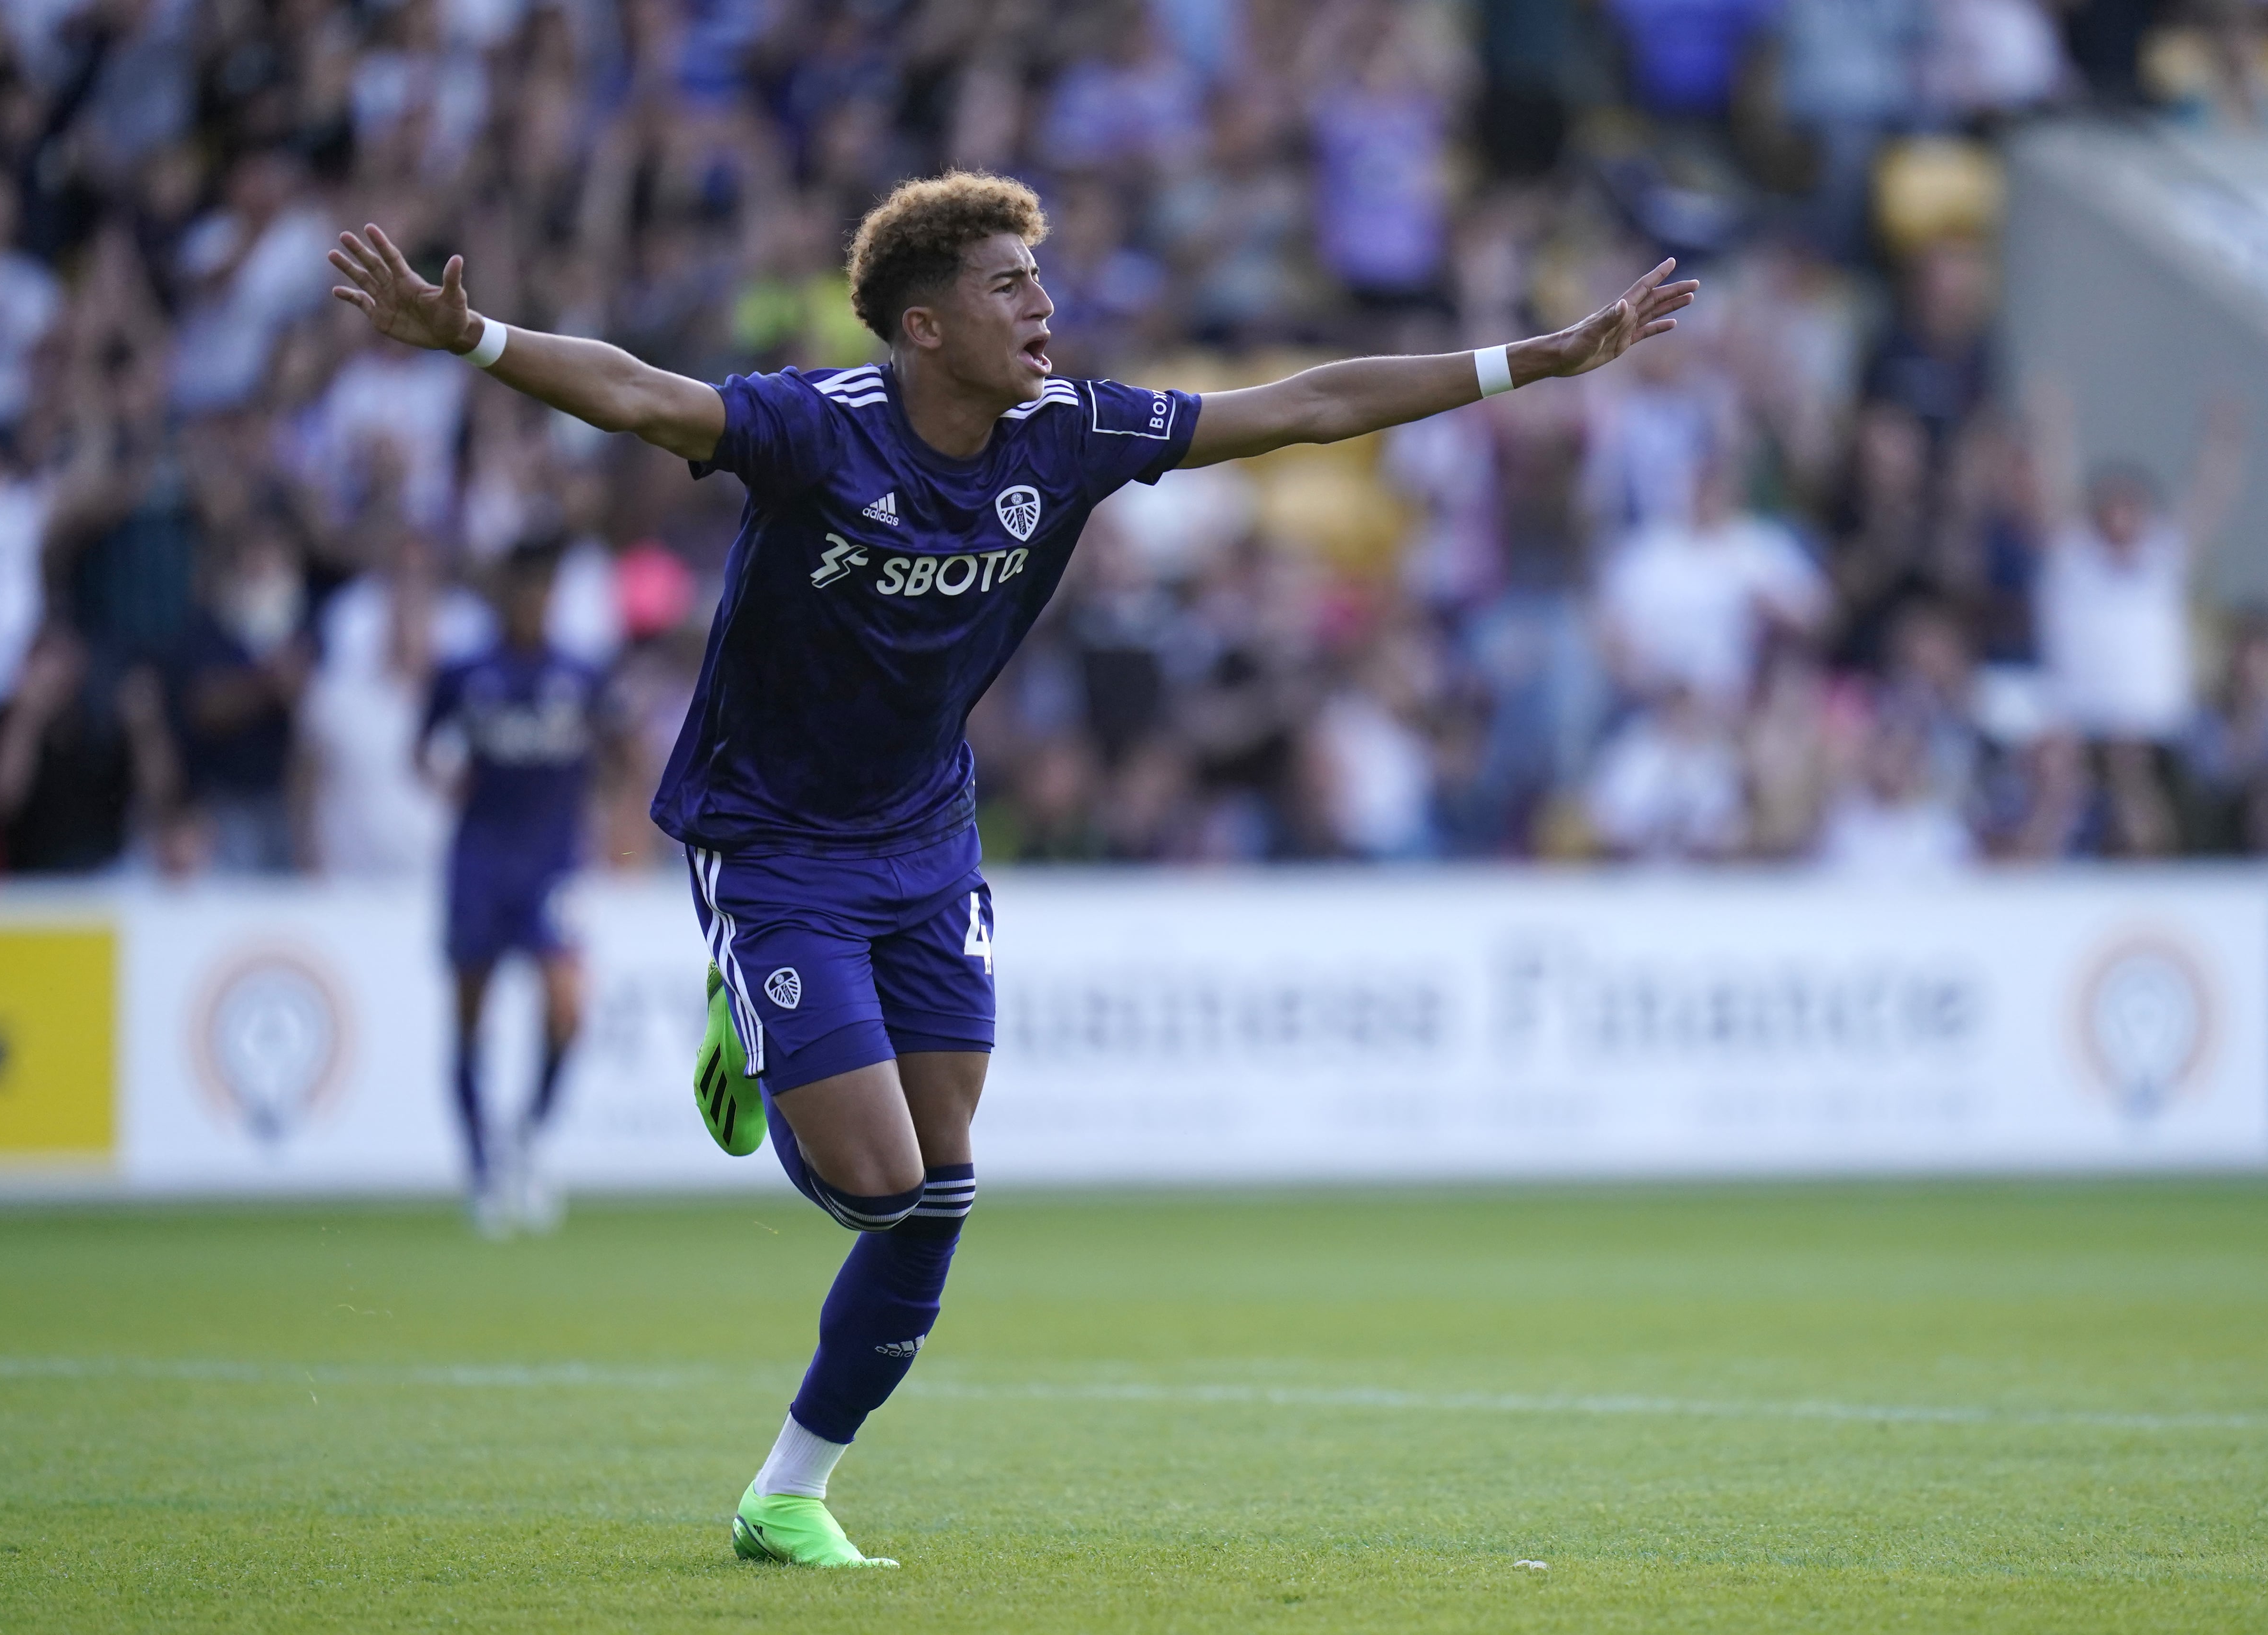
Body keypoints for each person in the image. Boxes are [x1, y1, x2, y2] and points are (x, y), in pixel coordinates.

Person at [328, 170, 1696, 1568]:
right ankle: (747, 1023)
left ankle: (789, 1487)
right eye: (1008, 286)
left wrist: (1535, 358)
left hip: (927, 839)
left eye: (1041, 282)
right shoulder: (821, 430)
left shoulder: (1074, 432)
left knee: (944, 1185)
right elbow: (639, 394)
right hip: (778, 842)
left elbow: (1308, 405)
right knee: (874, 1180)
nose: (1045, 308)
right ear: (923, 326)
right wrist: (474, 338)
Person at [419, 537, 618, 1237]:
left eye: (544, 593)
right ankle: (481, 1167)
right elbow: (422, 752)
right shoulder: (465, 672)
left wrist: (613, 825)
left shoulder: (581, 674)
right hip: (478, 860)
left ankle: (528, 1138)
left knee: (565, 1008)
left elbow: (620, 752)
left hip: (553, 864)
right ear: (503, 597)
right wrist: (445, 782)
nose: (534, 604)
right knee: (471, 1013)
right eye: (524, 591)